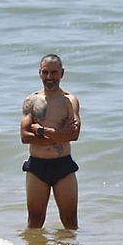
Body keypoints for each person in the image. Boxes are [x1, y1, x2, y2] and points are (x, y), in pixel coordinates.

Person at [20, 53, 81, 230]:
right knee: (35, 221)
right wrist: (59, 135)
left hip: (63, 165)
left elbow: (74, 134)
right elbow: (25, 136)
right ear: (39, 72)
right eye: (45, 72)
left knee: (70, 221)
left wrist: (42, 131)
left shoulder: (69, 101)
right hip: (37, 166)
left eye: (54, 72)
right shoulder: (31, 101)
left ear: (62, 73)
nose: (49, 77)